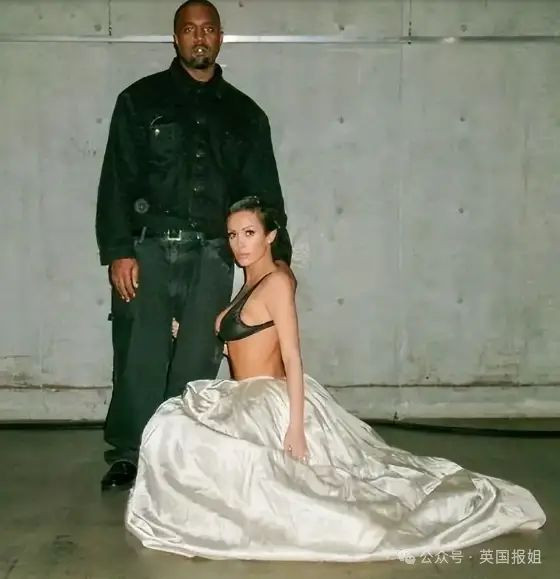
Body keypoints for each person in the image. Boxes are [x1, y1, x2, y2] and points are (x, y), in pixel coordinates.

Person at [125, 196, 546, 562]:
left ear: (270, 236)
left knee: (332, 495)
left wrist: (295, 427)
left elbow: (291, 355)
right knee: (177, 429)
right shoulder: (248, 280)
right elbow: (239, 340)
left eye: (249, 233)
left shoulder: (277, 282)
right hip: (241, 396)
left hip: (270, 399)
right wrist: (187, 331)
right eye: (233, 235)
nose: (240, 244)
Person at [95, 0, 292, 491]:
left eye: (208, 30)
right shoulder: (140, 101)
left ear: (220, 37)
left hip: (212, 254)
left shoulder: (245, 115)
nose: (199, 38)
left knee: (198, 357)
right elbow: (116, 180)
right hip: (147, 253)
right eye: (189, 29)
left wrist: (278, 261)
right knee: (138, 355)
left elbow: (264, 193)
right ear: (176, 38)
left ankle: (180, 453)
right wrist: (118, 250)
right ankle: (130, 454)